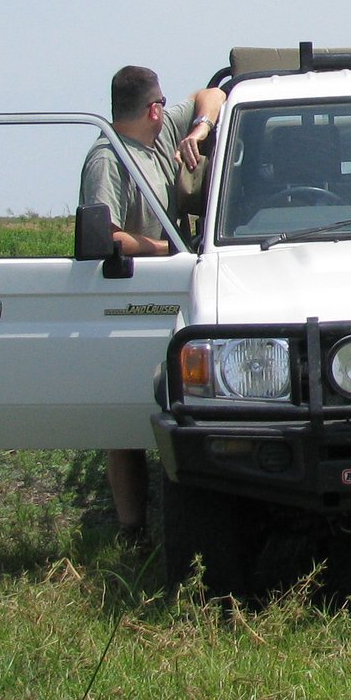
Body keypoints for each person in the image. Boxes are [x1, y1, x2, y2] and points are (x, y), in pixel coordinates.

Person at [79, 65, 225, 544]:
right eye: (165, 104)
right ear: (153, 109)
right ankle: (131, 529)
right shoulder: (109, 158)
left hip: (172, 288)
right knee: (123, 421)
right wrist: (170, 249)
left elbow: (212, 94)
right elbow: (106, 235)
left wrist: (200, 129)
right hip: (129, 291)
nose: (170, 110)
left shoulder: (160, 139)